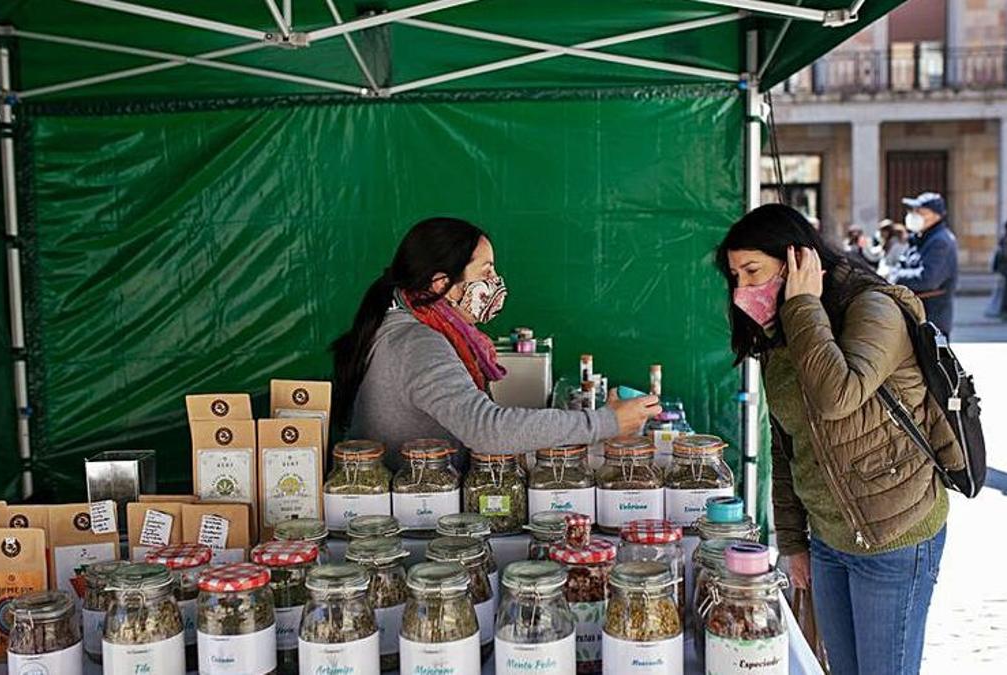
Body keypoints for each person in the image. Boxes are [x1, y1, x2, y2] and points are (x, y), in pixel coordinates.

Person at [715, 204, 960, 675]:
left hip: (894, 533)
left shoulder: (874, 308)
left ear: (798, 261)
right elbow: (786, 445)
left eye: (753, 272)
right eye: (735, 276)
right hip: (828, 538)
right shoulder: (783, 333)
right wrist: (793, 541)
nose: (744, 289)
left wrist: (802, 306)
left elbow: (835, 397)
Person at [331, 217, 661, 469]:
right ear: (442, 283)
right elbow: (487, 429)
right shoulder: (417, 343)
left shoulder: (406, 323)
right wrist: (605, 422)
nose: (495, 284)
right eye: (486, 272)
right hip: (416, 515)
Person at [890, 192, 959, 336]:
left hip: (931, 321)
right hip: (915, 317)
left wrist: (894, 276)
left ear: (935, 216)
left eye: (920, 212)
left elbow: (927, 279)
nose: (914, 215)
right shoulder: (919, 238)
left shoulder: (941, 241)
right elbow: (903, 263)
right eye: (914, 211)